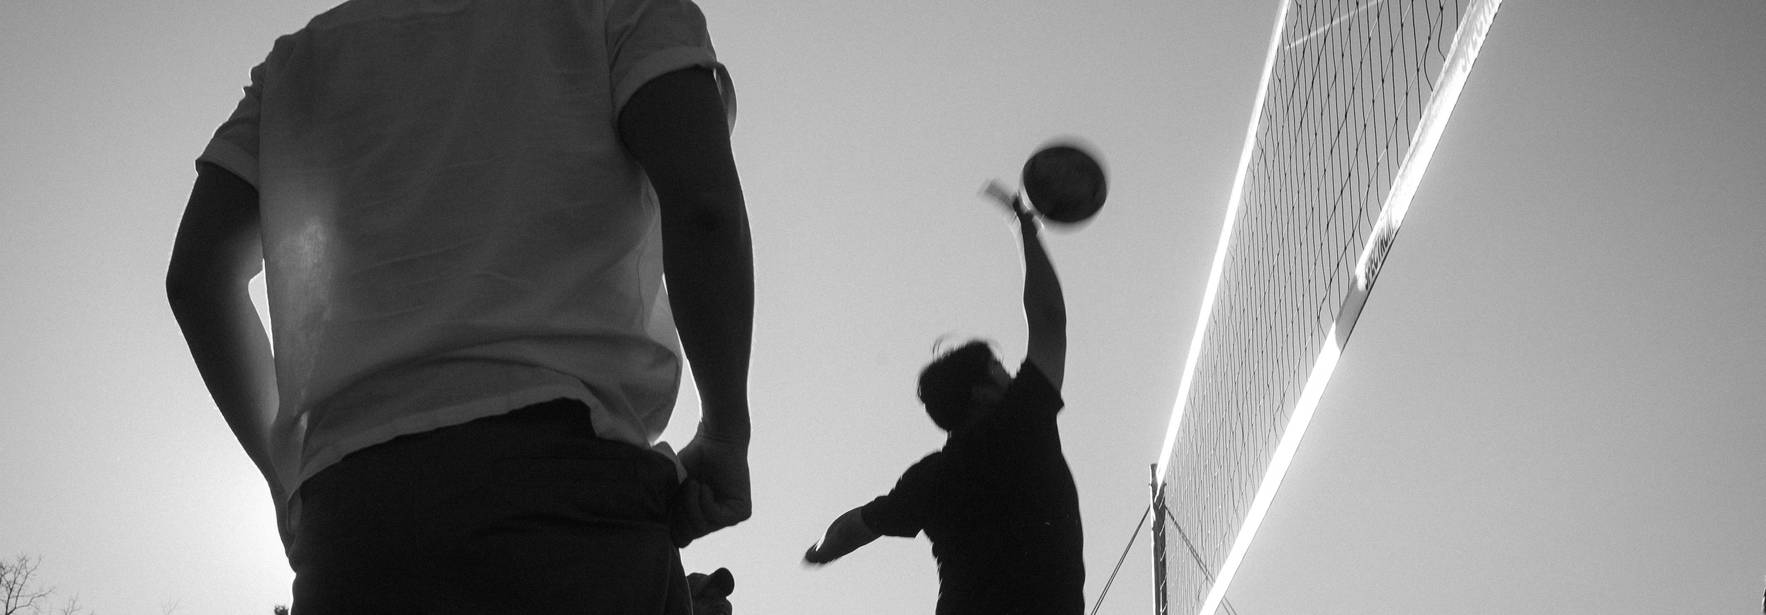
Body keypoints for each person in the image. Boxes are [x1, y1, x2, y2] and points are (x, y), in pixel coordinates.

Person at [164, 0, 752, 611]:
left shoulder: (297, 64)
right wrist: (725, 433)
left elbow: (198, 279)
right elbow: (704, 207)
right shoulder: (621, 11)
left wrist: (285, 479)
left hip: (354, 529)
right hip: (573, 498)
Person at [803, 199, 1083, 614]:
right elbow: (1048, 317)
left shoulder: (931, 478)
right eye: (998, 368)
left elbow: (854, 528)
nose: (1010, 375)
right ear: (980, 392)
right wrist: (1026, 229)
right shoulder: (1021, 422)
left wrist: (820, 552)